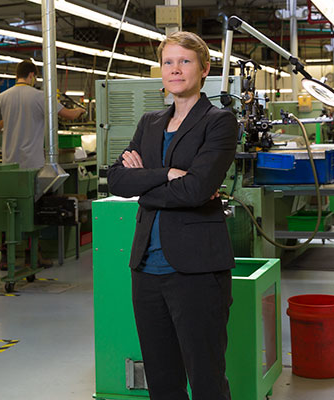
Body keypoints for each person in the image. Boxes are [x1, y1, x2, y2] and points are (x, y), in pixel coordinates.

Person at [107, 31, 238, 400]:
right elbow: (116, 179)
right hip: (147, 270)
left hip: (196, 270)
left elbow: (197, 190)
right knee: (162, 381)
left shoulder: (219, 121)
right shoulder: (149, 123)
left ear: (204, 68)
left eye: (185, 61)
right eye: (168, 62)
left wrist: (143, 185)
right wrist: (165, 174)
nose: (175, 69)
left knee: (206, 378)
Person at [0, 60, 84, 270]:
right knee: (34, 210)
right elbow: (66, 115)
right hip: (34, 166)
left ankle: (5, 257)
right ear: (32, 75)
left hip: (9, 168)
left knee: (9, 211)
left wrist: (10, 119)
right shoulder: (40, 96)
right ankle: (35, 254)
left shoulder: (2, 98)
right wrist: (79, 111)